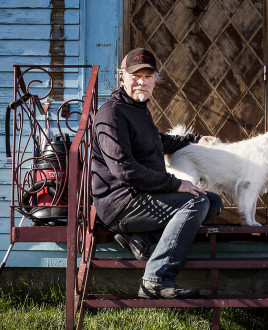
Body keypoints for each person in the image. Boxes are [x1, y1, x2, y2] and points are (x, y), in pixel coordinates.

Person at [91, 48, 223, 299]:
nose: (142, 81)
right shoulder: (111, 114)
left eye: (148, 75)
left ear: (155, 80)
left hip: (143, 196)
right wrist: (174, 184)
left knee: (213, 201)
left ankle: (141, 235)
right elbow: (124, 170)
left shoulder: (139, 110)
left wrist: (193, 140)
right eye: (135, 75)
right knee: (195, 202)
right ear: (121, 76)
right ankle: (156, 279)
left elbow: (156, 142)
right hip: (122, 202)